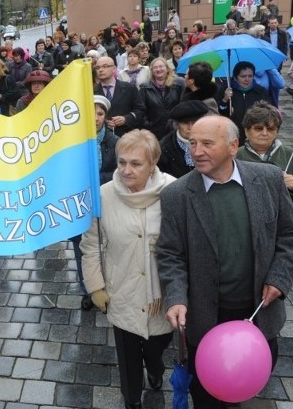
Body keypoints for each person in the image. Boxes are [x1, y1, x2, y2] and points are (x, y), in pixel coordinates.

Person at [157, 115, 293, 408]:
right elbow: (170, 255)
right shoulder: (176, 195)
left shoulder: (270, 179)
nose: (196, 151)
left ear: (233, 146)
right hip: (205, 320)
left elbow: (288, 233)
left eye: (207, 143)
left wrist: (279, 278)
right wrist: (175, 297)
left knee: (248, 382)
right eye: (193, 143)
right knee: (207, 396)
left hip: (259, 314)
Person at [81, 130, 176, 409]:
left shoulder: (174, 190)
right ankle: (132, 398)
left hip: (163, 295)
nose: (126, 170)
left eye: (136, 164)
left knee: (156, 349)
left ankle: (156, 370)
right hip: (121, 289)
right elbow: (90, 244)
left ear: (153, 162)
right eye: (122, 162)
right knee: (128, 357)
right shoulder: (103, 195)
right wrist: (96, 286)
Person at [69, 95, 119, 311]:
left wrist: (98, 181)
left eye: (100, 114)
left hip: (107, 204)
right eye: (91, 113)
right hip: (81, 208)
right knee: (82, 250)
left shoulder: (115, 142)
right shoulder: (72, 142)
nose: (96, 118)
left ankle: (107, 285)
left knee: (108, 247)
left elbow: (119, 174)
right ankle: (87, 289)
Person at [236, 101, 293, 212]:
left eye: (270, 129)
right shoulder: (234, 156)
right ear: (246, 131)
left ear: (277, 132)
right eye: (258, 128)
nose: (265, 133)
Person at [218, 61, 273, 144]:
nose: (247, 79)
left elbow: (268, 111)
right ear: (236, 77)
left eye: (250, 76)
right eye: (243, 76)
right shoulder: (226, 90)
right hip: (232, 133)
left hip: (254, 133)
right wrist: (225, 99)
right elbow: (220, 112)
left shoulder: (260, 91)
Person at [94, 56, 145, 137]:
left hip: (126, 137)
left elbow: (140, 110)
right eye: (97, 67)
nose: (100, 70)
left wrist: (126, 119)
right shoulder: (92, 92)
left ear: (114, 68)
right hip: (100, 139)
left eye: (105, 66)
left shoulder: (129, 88)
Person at [157, 100, 208, 178]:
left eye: (194, 123)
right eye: (185, 123)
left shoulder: (211, 141)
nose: (190, 128)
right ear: (177, 125)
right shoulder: (164, 148)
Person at [139, 57, 184, 140]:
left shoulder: (178, 83)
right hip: (154, 130)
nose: (158, 69)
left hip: (175, 129)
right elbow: (141, 109)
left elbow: (183, 104)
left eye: (161, 66)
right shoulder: (145, 87)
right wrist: (147, 124)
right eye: (155, 67)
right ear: (152, 71)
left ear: (167, 68)